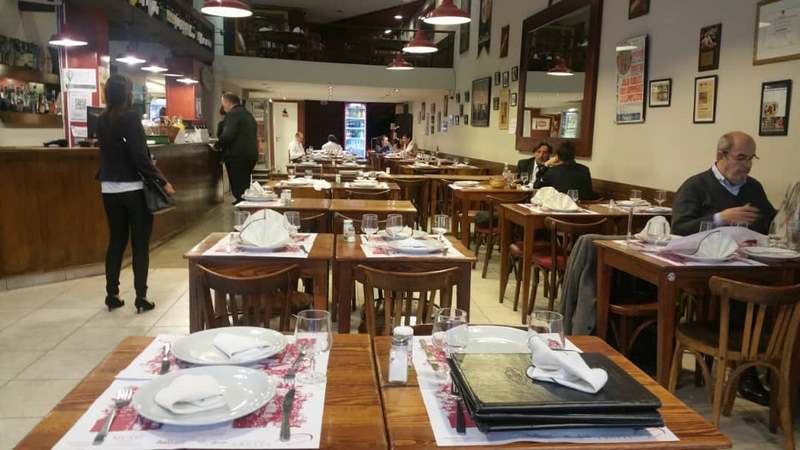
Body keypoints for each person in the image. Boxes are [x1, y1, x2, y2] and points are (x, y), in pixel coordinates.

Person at [96, 74, 175, 314]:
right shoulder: (130, 117)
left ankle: (112, 294)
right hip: (133, 188)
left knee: (116, 241)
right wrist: (162, 180)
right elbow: (140, 156)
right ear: (127, 94)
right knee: (140, 244)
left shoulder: (101, 119)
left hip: (108, 188)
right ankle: (141, 296)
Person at [671, 131, 775, 236]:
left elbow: (771, 222)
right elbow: (678, 229)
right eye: (741, 158)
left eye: (751, 158)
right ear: (721, 156)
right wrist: (720, 219)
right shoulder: (694, 186)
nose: (747, 165)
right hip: (709, 246)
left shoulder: (754, 187)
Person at [218, 93, 258, 204]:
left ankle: (242, 206)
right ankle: (244, 202)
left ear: (227, 102)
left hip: (237, 155)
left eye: (223, 103)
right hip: (251, 154)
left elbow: (228, 135)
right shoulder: (248, 115)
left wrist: (218, 145)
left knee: (238, 184)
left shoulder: (233, 115)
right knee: (244, 182)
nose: (223, 106)